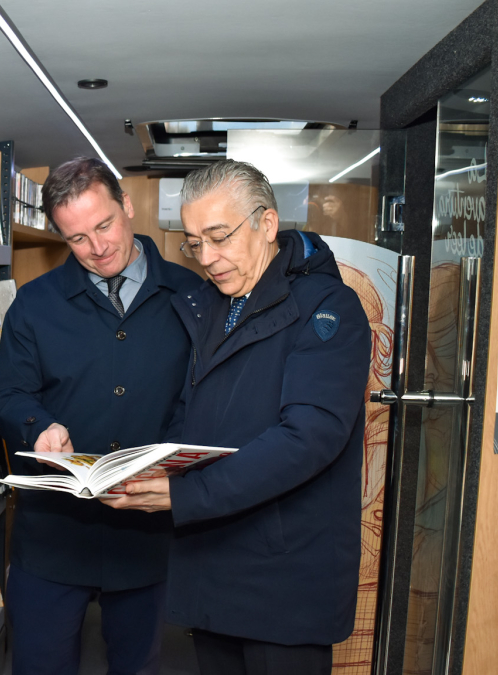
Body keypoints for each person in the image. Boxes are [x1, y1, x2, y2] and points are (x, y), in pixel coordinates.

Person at [108, 159, 370, 675]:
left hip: (285, 574)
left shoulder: (328, 309)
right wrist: (150, 467)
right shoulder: (208, 306)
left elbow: (307, 438)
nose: (207, 257)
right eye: (193, 242)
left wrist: (185, 495)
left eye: (219, 236)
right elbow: (195, 411)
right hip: (215, 559)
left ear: (267, 224)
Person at [0, 157, 202, 675]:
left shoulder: (194, 295)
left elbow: (202, 396)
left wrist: (167, 460)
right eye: (77, 238)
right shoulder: (34, 304)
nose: (98, 247)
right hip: (53, 536)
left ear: (126, 205)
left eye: (104, 225)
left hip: (146, 534)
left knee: (140, 664)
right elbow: (7, 393)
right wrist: (40, 426)